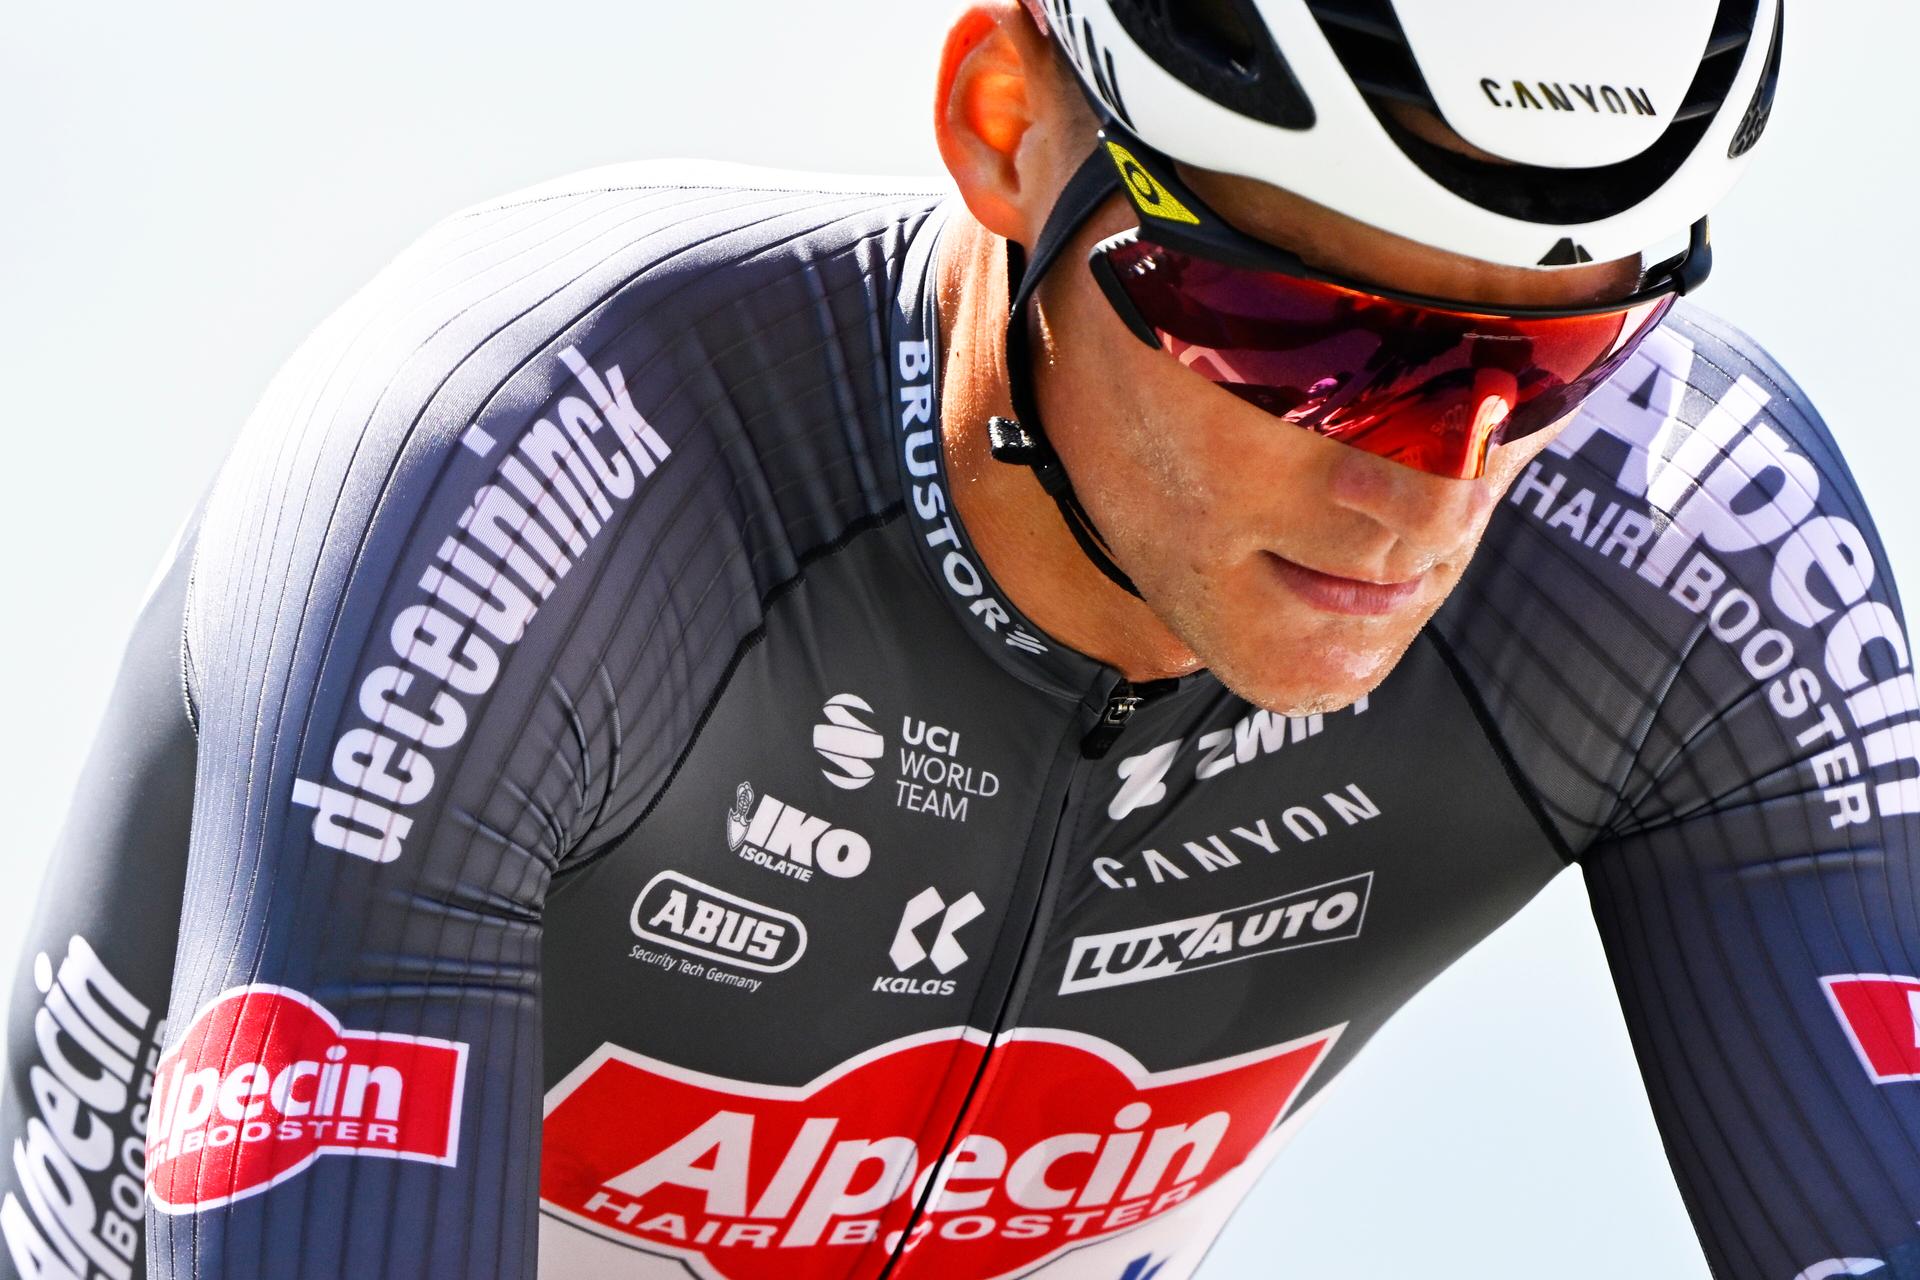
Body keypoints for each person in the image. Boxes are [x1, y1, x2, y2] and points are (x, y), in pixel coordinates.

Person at [3, 1, 1912, 1277]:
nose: (1431, 481)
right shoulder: (532, 478)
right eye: (1302, 341)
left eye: (1564, 355)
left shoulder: (1676, 547)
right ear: (1006, 128)